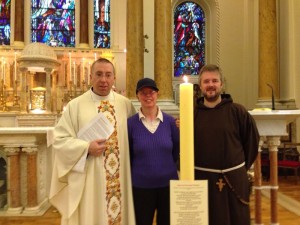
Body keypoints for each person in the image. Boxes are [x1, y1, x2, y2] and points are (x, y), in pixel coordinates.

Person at [49, 58, 136, 225]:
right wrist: (86, 147)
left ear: (114, 78)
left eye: (108, 75)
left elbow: (137, 135)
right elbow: (59, 140)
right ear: (91, 76)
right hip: (89, 180)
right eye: (99, 74)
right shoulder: (76, 106)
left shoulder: (125, 104)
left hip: (120, 180)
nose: (103, 79)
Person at [194, 64, 259, 225]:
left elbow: (251, 143)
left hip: (234, 180)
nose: (211, 85)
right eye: (206, 81)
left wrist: (236, 169)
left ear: (221, 84)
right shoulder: (192, 114)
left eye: (215, 81)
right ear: (201, 86)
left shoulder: (238, 112)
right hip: (203, 180)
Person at [127, 78, 180, 225]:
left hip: (168, 186)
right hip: (141, 187)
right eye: (143, 93)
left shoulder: (171, 123)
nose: (148, 96)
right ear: (137, 96)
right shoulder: (130, 124)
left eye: (152, 92)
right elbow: (129, 154)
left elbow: (175, 152)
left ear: (157, 94)